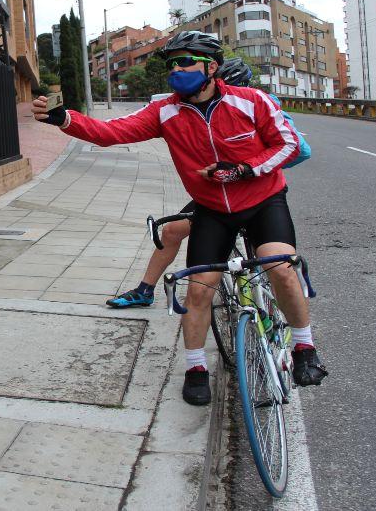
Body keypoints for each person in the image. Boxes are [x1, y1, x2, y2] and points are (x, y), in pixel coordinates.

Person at [31, 31, 328, 406]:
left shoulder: (251, 101)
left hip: (262, 200)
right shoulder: (165, 111)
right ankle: (195, 369)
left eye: (186, 61)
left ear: (211, 67)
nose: (178, 69)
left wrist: (243, 170)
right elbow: (110, 133)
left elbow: (286, 144)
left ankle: (304, 347)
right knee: (199, 290)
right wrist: (65, 119)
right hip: (212, 210)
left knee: (281, 268)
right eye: (172, 64)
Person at [106, 57, 255, 309]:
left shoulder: (255, 105)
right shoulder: (193, 107)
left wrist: (254, 167)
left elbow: (298, 149)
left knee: (268, 254)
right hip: (211, 194)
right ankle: (145, 290)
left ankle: (260, 305)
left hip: (252, 192)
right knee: (171, 231)